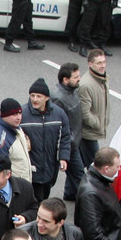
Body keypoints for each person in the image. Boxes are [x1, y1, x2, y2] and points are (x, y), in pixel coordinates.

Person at [21, 78, 70, 202]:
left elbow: (65, 136)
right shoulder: (22, 115)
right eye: (32, 95)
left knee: (44, 195)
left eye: (39, 96)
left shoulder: (59, 114)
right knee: (34, 200)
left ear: (47, 98)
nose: (35, 99)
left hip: (50, 167)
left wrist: (64, 157)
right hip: (31, 167)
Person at [51, 63, 84, 201]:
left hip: (74, 141)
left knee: (75, 174)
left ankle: (71, 195)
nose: (79, 79)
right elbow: (57, 125)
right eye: (76, 77)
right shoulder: (58, 98)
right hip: (68, 144)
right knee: (79, 174)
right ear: (65, 79)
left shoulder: (72, 90)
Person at [76, 49, 110, 171]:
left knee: (84, 168)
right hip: (88, 135)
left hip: (91, 133)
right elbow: (85, 113)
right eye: (99, 63)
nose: (103, 65)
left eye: (104, 62)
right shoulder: (86, 85)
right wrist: (98, 124)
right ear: (90, 64)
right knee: (97, 167)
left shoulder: (101, 79)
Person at [0, 99, 32, 183]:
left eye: (20, 113)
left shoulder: (16, 127)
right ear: (4, 115)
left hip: (22, 186)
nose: (19, 117)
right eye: (14, 114)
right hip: (13, 189)